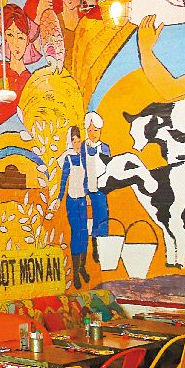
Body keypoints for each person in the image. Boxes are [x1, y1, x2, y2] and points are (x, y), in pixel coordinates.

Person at [0, 4, 40, 127]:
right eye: (10, 35)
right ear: (5, 38)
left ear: (27, 40)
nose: (16, 43)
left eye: (20, 37)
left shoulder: (30, 80)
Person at [58, 126, 90, 288]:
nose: (77, 145)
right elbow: (63, 181)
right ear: (70, 143)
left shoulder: (84, 158)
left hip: (82, 200)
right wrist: (59, 198)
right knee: (76, 234)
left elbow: (87, 178)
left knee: (84, 234)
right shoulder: (68, 159)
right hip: (71, 201)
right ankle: (76, 273)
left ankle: (82, 267)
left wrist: (87, 193)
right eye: (74, 142)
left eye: (79, 141)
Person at [82, 113, 111, 264]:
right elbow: (82, 170)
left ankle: (100, 249)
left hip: (101, 190)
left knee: (102, 219)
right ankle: (92, 247)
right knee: (88, 220)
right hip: (88, 190)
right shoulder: (83, 148)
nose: (93, 133)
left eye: (96, 130)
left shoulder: (105, 148)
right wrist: (85, 192)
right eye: (90, 130)